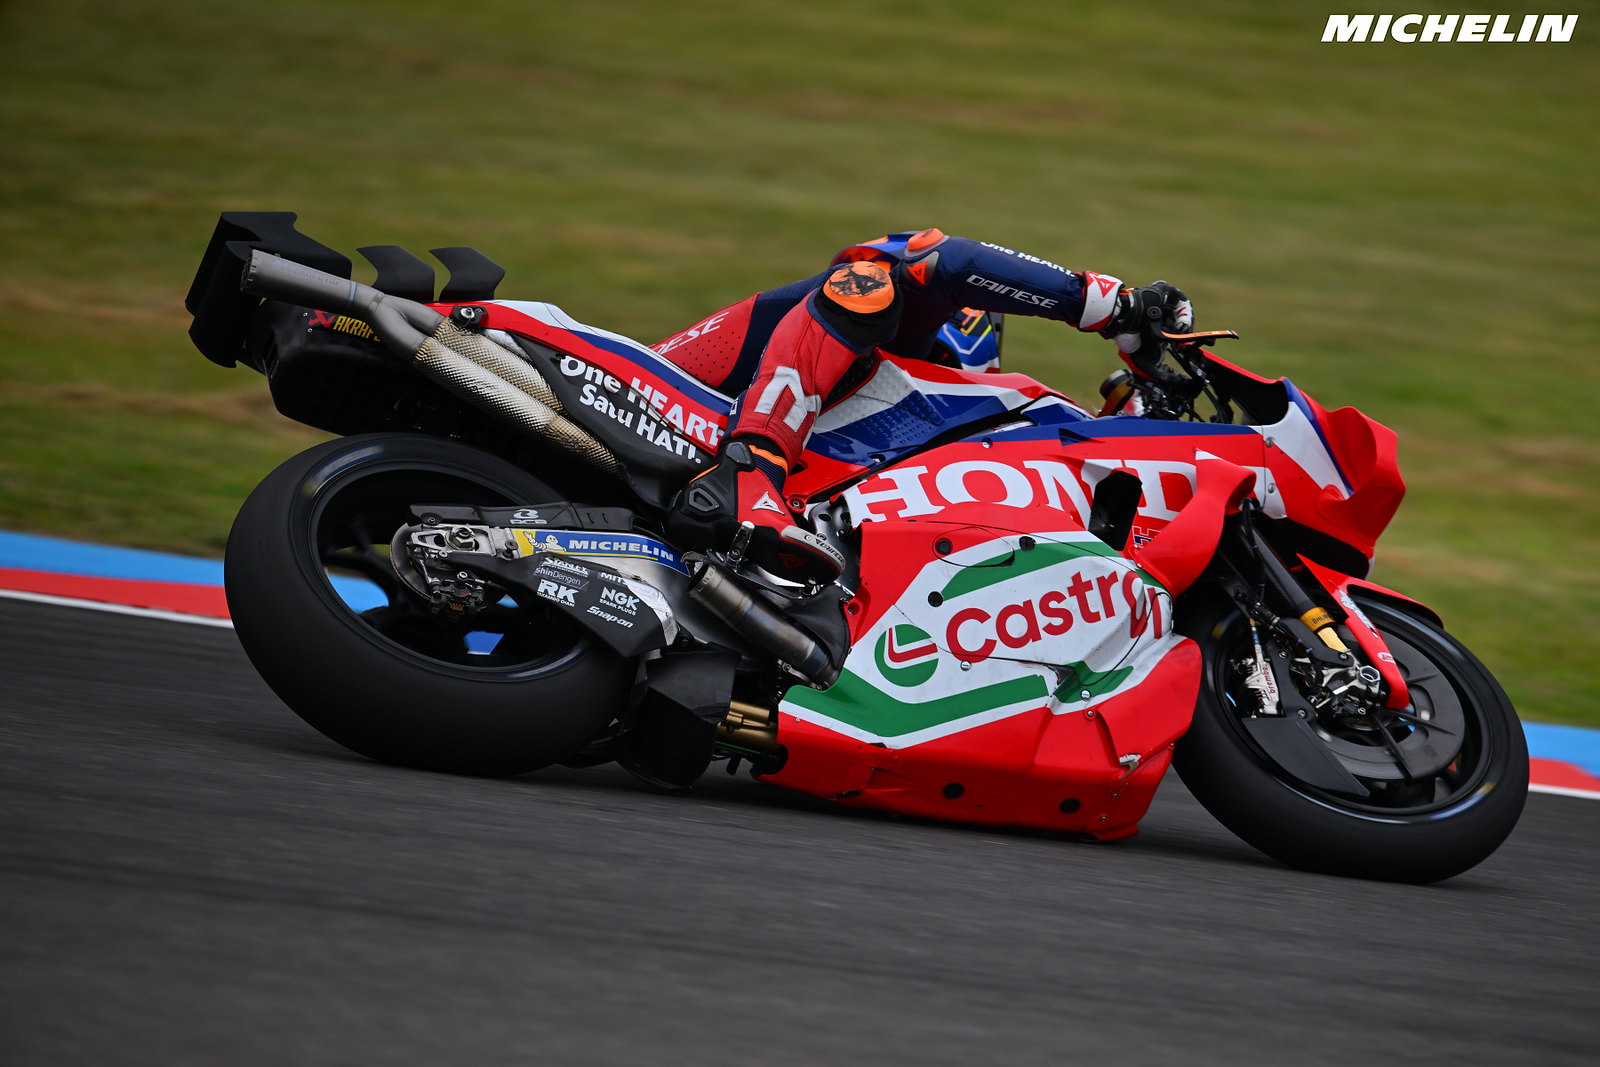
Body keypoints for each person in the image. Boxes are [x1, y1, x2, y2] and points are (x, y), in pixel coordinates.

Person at [658, 229, 1194, 580]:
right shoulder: (881, 309)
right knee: (866, 287)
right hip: (672, 404)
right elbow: (940, 260)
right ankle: (749, 471)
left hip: (718, 483)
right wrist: (1116, 308)